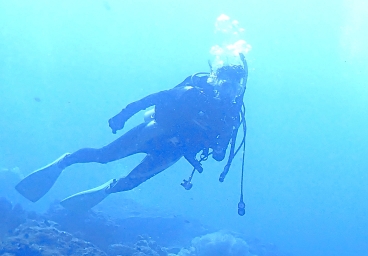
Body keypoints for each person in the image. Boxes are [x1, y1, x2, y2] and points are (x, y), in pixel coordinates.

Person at [15, 57, 247, 212]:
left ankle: (107, 188)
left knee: (131, 183)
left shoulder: (230, 117)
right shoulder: (192, 94)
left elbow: (220, 153)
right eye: (225, 85)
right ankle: (64, 162)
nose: (228, 93)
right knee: (103, 156)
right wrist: (123, 116)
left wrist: (219, 147)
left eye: (234, 89)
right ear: (215, 81)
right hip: (155, 132)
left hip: (174, 152)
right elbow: (155, 98)